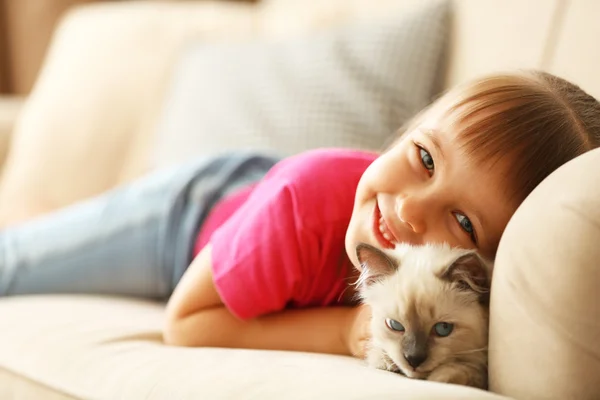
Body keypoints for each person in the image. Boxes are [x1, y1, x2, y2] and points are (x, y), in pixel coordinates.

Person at [1, 70, 599, 360]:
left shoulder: (465, 294)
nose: (411, 210)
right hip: (189, 219)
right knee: (17, 264)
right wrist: (341, 333)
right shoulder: (302, 207)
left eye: (463, 223)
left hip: (257, 210)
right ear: (409, 131)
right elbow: (187, 322)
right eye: (422, 157)